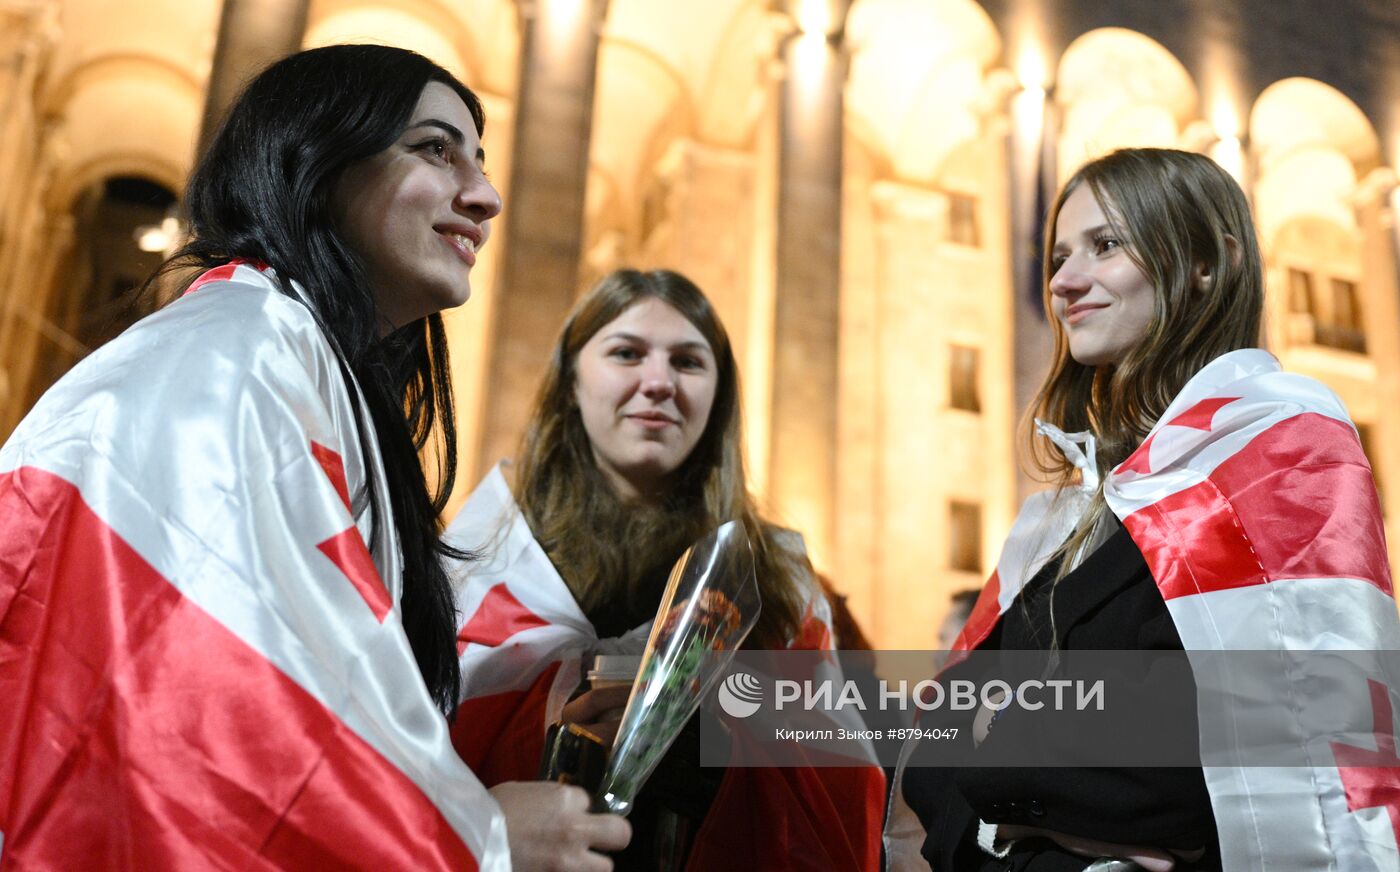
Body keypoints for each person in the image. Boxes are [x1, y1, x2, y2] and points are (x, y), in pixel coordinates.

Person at [0, 44, 627, 871]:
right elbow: (207, 728)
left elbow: (353, 689)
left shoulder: (303, 376)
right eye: (437, 149)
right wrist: (477, 839)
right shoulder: (229, 365)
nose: (488, 196)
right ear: (320, 160)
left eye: (690, 364)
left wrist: (689, 692)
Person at [893, 148, 1399, 872]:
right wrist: (1017, 831)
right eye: (1060, 255)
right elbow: (932, 757)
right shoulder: (1065, 517)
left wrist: (997, 738)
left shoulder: (1283, 448)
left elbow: (1247, 755)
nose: (1064, 281)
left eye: (1105, 246)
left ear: (1205, 263)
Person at [446, 268, 886, 870]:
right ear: (571, 379)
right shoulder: (488, 551)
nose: (658, 382)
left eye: (688, 361)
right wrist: (559, 722)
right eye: (626, 353)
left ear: (719, 396)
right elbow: (419, 748)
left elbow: (837, 780)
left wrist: (721, 727)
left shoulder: (777, 574)